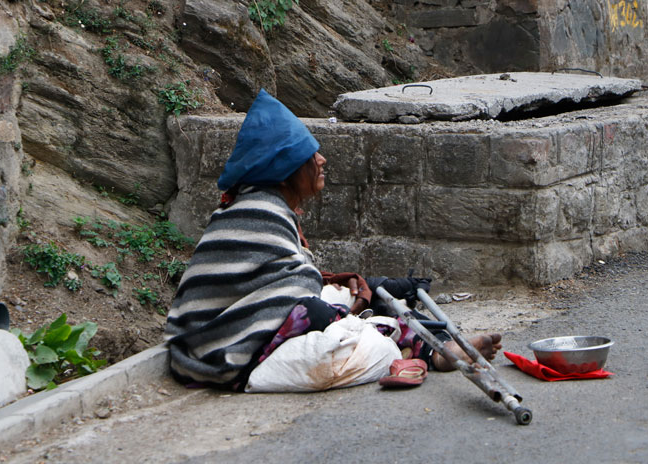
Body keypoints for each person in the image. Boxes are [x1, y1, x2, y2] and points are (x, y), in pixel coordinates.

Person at [165, 89, 502, 391]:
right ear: (285, 170)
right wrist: (337, 309)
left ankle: (424, 342)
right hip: (222, 351)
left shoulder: (259, 206)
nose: (321, 161)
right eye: (310, 156)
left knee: (358, 290)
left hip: (216, 339)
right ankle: (427, 349)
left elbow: (276, 281)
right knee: (329, 314)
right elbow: (294, 294)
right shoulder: (262, 211)